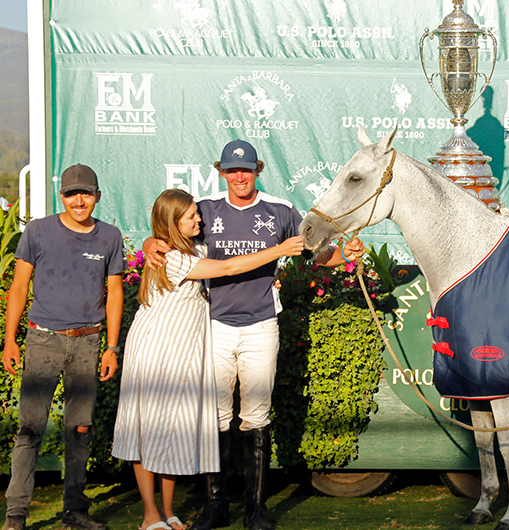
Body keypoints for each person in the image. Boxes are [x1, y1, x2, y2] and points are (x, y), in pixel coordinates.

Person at [144, 139, 364, 530]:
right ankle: (216, 508)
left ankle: (255, 510)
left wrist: (347, 254)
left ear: (257, 170)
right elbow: (170, 239)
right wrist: (150, 242)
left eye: (245, 170)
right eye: (231, 170)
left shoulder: (279, 210)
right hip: (214, 327)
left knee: (256, 417)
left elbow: (313, 252)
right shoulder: (206, 212)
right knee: (215, 418)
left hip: (262, 325)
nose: (239, 176)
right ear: (222, 172)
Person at [112, 189, 306, 530]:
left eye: (196, 215)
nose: (199, 219)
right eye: (191, 217)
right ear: (174, 223)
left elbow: (200, 249)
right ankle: (151, 515)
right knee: (148, 431)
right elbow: (229, 266)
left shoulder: (191, 247)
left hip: (181, 349)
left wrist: (149, 241)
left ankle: (170, 512)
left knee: (172, 428)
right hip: (156, 349)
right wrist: (278, 250)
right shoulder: (173, 257)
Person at [2, 164, 124, 530]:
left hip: (88, 342)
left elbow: (115, 292)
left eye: (86, 193)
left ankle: (75, 510)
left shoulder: (109, 236)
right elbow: (19, 288)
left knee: (80, 429)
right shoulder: (38, 231)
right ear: (62, 196)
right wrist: (10, 339)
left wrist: (111, 347)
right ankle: (15, 515)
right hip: (43, 340)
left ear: (98, 196)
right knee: (29, 430)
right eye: (72, 194)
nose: (79, 200)